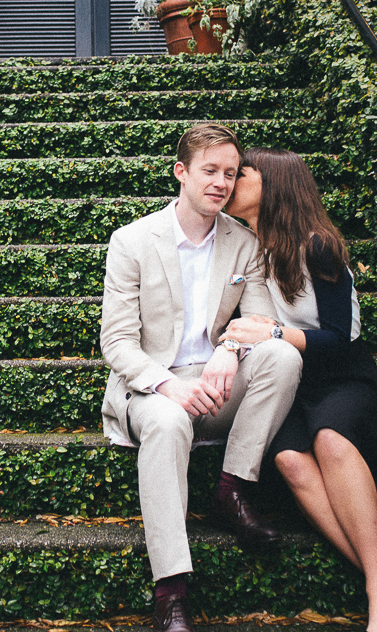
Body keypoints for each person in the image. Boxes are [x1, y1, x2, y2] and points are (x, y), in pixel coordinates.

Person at [220, 148, 377, 632]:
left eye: (243, 172)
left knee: (330, 441)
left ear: (274, 182)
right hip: (289, 382)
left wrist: (277, 335)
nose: (231, 181)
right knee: (289, 460)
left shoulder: (318, 245)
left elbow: (341, 338)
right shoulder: (239, 246)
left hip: (342, 374)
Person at [100, 124, 303, 632]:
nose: (220, 182)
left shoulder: (245, 243)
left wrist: (231, 350)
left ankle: (231, 488)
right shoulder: (132, 241)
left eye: (230, 173)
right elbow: (117, 343)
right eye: (209, 170)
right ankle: (171, 590)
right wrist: (167, 385)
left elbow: (256, 322)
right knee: (168, 424)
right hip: (153, 386)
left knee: (282, 357)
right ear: (181, 172)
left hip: (215, 386)